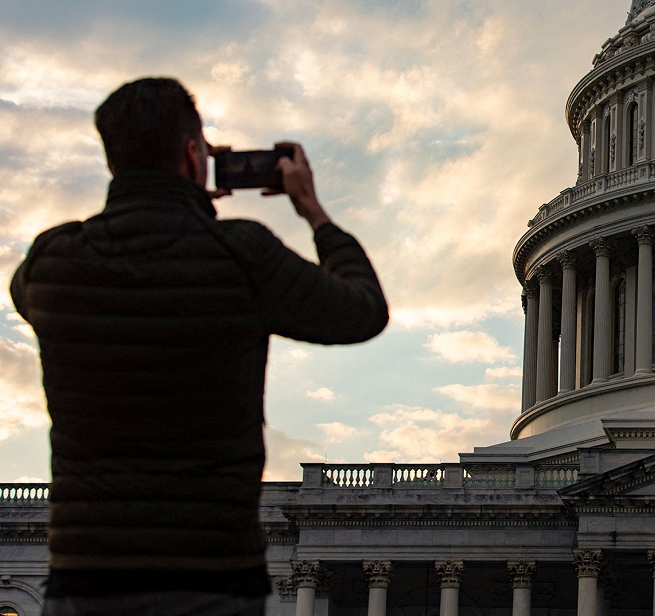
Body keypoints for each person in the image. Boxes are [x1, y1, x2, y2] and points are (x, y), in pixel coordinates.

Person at [9, 78, 389, 616]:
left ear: (112, 159)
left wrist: (174, 200)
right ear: (194, 153)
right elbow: (364, 311)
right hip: (212, 573)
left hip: (88, 573)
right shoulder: (240, 257)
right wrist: (312, 211)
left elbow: (27, 293)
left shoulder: (54, 264)